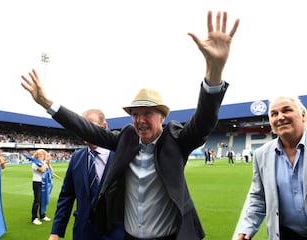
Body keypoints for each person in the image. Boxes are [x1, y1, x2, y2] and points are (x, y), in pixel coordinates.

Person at [21, 10, 239, 240]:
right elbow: (86, 129)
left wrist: (214, 73)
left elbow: (203, 121)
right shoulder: (126, 137)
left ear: (162, 117)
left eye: (148, 113)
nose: (140, 120)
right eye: (135, 114)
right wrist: (48, 103)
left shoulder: (176, 139)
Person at [236, 96, 307, 240]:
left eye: (286, 110)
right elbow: (258, 197)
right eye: (274, 114)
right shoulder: (262, 154)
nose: (280, 117)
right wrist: (247, 228)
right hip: (286, 234)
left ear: (303, 116)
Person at [49, 109, 124, 240]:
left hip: (115, 233)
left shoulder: (121, 155)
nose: (86, 131)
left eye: (91, 126)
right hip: (83, 233)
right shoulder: (76, 158)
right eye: (82, 127)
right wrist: (56, 231)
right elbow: (67, 196)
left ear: (104, 126)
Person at [31, 149, 52, 225]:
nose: (40, 155)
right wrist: (46, 163)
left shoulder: (43, 162)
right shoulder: (35, 163)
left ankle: (42, 215)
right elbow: (42, 170)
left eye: (42, 154)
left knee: (43, 200)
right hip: (37, 183)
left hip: (44, 183)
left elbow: (51, 171)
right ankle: (34, 218)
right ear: (36, 155)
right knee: (37, 200)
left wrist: (48, 164)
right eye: (39, 154)